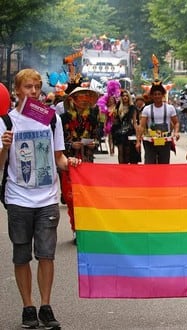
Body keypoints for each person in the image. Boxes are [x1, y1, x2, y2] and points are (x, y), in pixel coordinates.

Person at [1, 68, 81, 329]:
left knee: (46, 255)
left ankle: (46, 306)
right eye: (27, 87)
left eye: (36, 87)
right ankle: (28, 307)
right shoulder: (6, 122)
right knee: (21, 255)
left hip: (46, 199)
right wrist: (4, 146)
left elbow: (59, 157)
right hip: (18, 199)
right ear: (16, 90)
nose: (33, 92)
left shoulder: (51, 120)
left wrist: (73, 163)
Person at [60, 87, 100, 241]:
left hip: (87, 162)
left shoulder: (93, 118)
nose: (84, 101)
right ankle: (76, 228)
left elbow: (96, 138)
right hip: (68, 162)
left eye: (86, 97)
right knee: (71, 197)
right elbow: (57, 143)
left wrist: (93, 144)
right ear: (72, 100)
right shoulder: (63, 118)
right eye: (80, 97)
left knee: (87, 196)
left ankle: (86, 229)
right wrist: (71, 145)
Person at [136, 80, 180, 164]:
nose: (157, 96)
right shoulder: (147, 109)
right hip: (150, 142)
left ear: (163, 95)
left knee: (164, 164)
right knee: (149, 164)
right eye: (155, 94)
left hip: (165, 141)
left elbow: (176, 123)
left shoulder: (170, 108)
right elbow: (141, 126)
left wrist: (176, 132)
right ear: (152, 96)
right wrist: (138, 141)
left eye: (159, 94)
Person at [111, 90, 139, 164]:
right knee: (120, 151)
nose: (125, 97)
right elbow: (114, 121)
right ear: (121, 97)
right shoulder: (117, 108)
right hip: (119, 133)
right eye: (123, 96)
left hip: (129, 132)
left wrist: (137, 136)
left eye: (126, 96)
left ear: (129, 97)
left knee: (127, 151)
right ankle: (121, 168)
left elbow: (135, 122)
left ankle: (126, 169)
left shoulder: (132, 108)